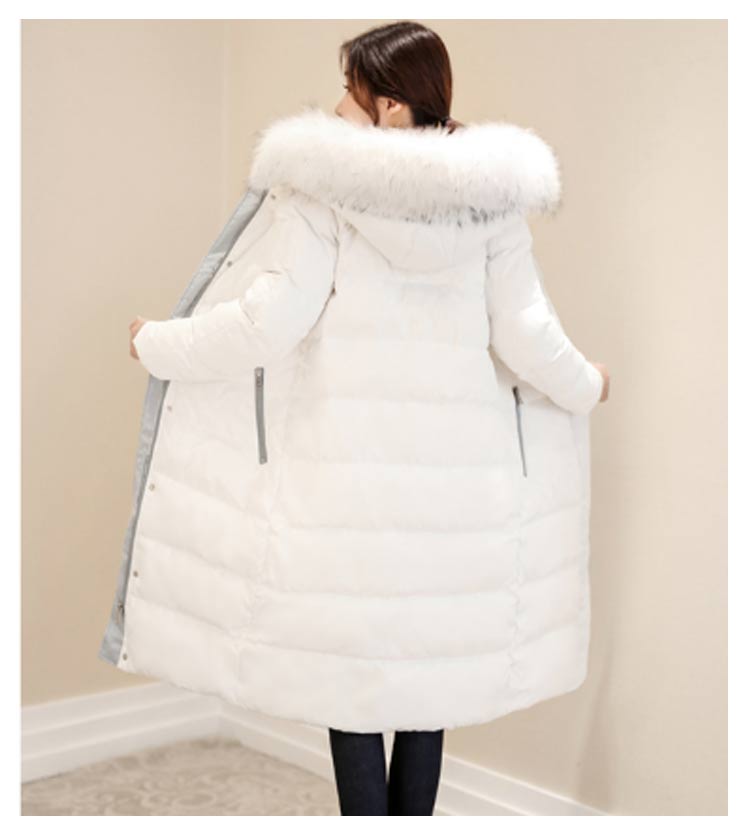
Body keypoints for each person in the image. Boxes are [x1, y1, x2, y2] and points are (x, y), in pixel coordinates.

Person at [115, 20, 609, 819]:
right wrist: (589, 384)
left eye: (350, 92)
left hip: (346, 491)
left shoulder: (325, 192)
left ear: (389, 106)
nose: (337, 108)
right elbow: (526, 335)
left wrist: (156, 344)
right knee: (428, 685)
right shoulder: (489, 201)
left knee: (349, 683)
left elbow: (266, 324)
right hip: (455, 492)